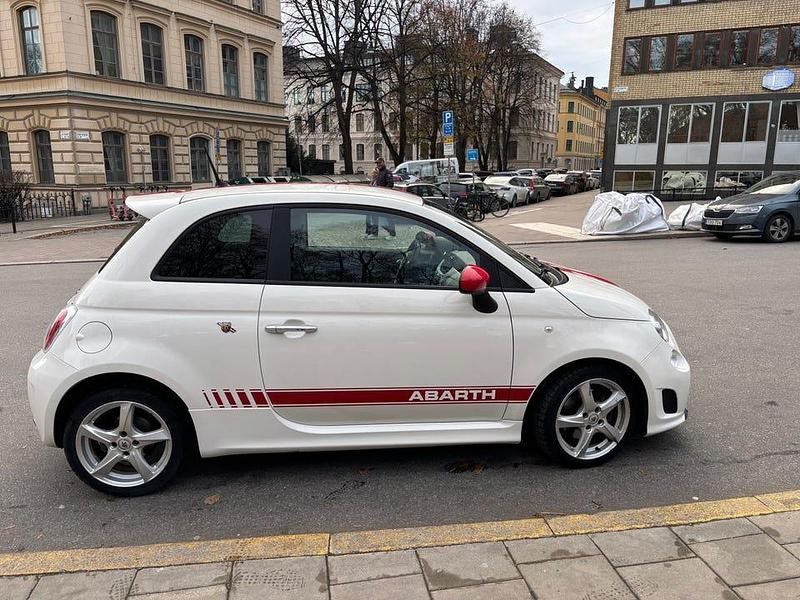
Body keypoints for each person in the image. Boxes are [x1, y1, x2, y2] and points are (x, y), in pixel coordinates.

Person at [365, 157, 396, 238]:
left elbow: (390, 185)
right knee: (374, 216)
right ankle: (374, 233)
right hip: (378, 198)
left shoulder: (387, 172)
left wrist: (383, 193)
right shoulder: (379, 173)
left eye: (379, 163)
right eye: (377, 163)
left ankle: (392, 234)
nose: (378, 164)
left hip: (385, 198)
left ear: (383, 162)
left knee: (388, 217)